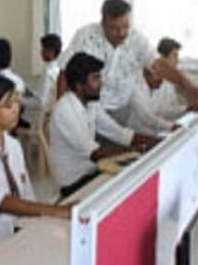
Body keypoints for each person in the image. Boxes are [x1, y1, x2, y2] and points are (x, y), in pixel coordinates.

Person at [0, 75, 72, 255]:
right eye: (8, 105)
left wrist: (44, 217)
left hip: (21, 224)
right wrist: (54, 211)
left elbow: (26, 192)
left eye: (17, 102)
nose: (16, 109)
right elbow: (1, 202)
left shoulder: (12, 144)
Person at [56, 0, 198, 125]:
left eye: (125, 27)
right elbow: (64, 73)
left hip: (122, 108)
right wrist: (62, 111)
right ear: (103, 23)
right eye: (114, 28)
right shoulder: (85, 36)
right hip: (89, 107)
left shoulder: (136, 39)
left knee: (118, 140)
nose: (121, 33)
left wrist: (189, 86)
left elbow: (159, 64)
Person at [49, 53, 160, 198]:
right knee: (133, 186)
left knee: (137, 178)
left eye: (100, 77)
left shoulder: (91, 103)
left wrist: (155, 141)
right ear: (79, 85)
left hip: (93, 172)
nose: (101, 83)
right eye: (95, 78)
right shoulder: (65, 111)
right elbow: (95, 154)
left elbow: (118, 133)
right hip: (75, 184)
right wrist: (138, 150)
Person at [126, 67, 180, 135]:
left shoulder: (155, 88)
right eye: (158, 75)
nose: (162, 80)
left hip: (151, 128)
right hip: (137, 131)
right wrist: (170, 126)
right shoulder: (136, 90)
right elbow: (146, 117)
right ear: (147, 75)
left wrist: (185, 109)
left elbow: (161, 110)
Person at [36, 33, 62, 111]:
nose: (41, 52)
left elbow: (41, 102)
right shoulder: (58, 69)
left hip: (45, 113)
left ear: (51, 51)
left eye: (43, 49)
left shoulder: (48, 73)